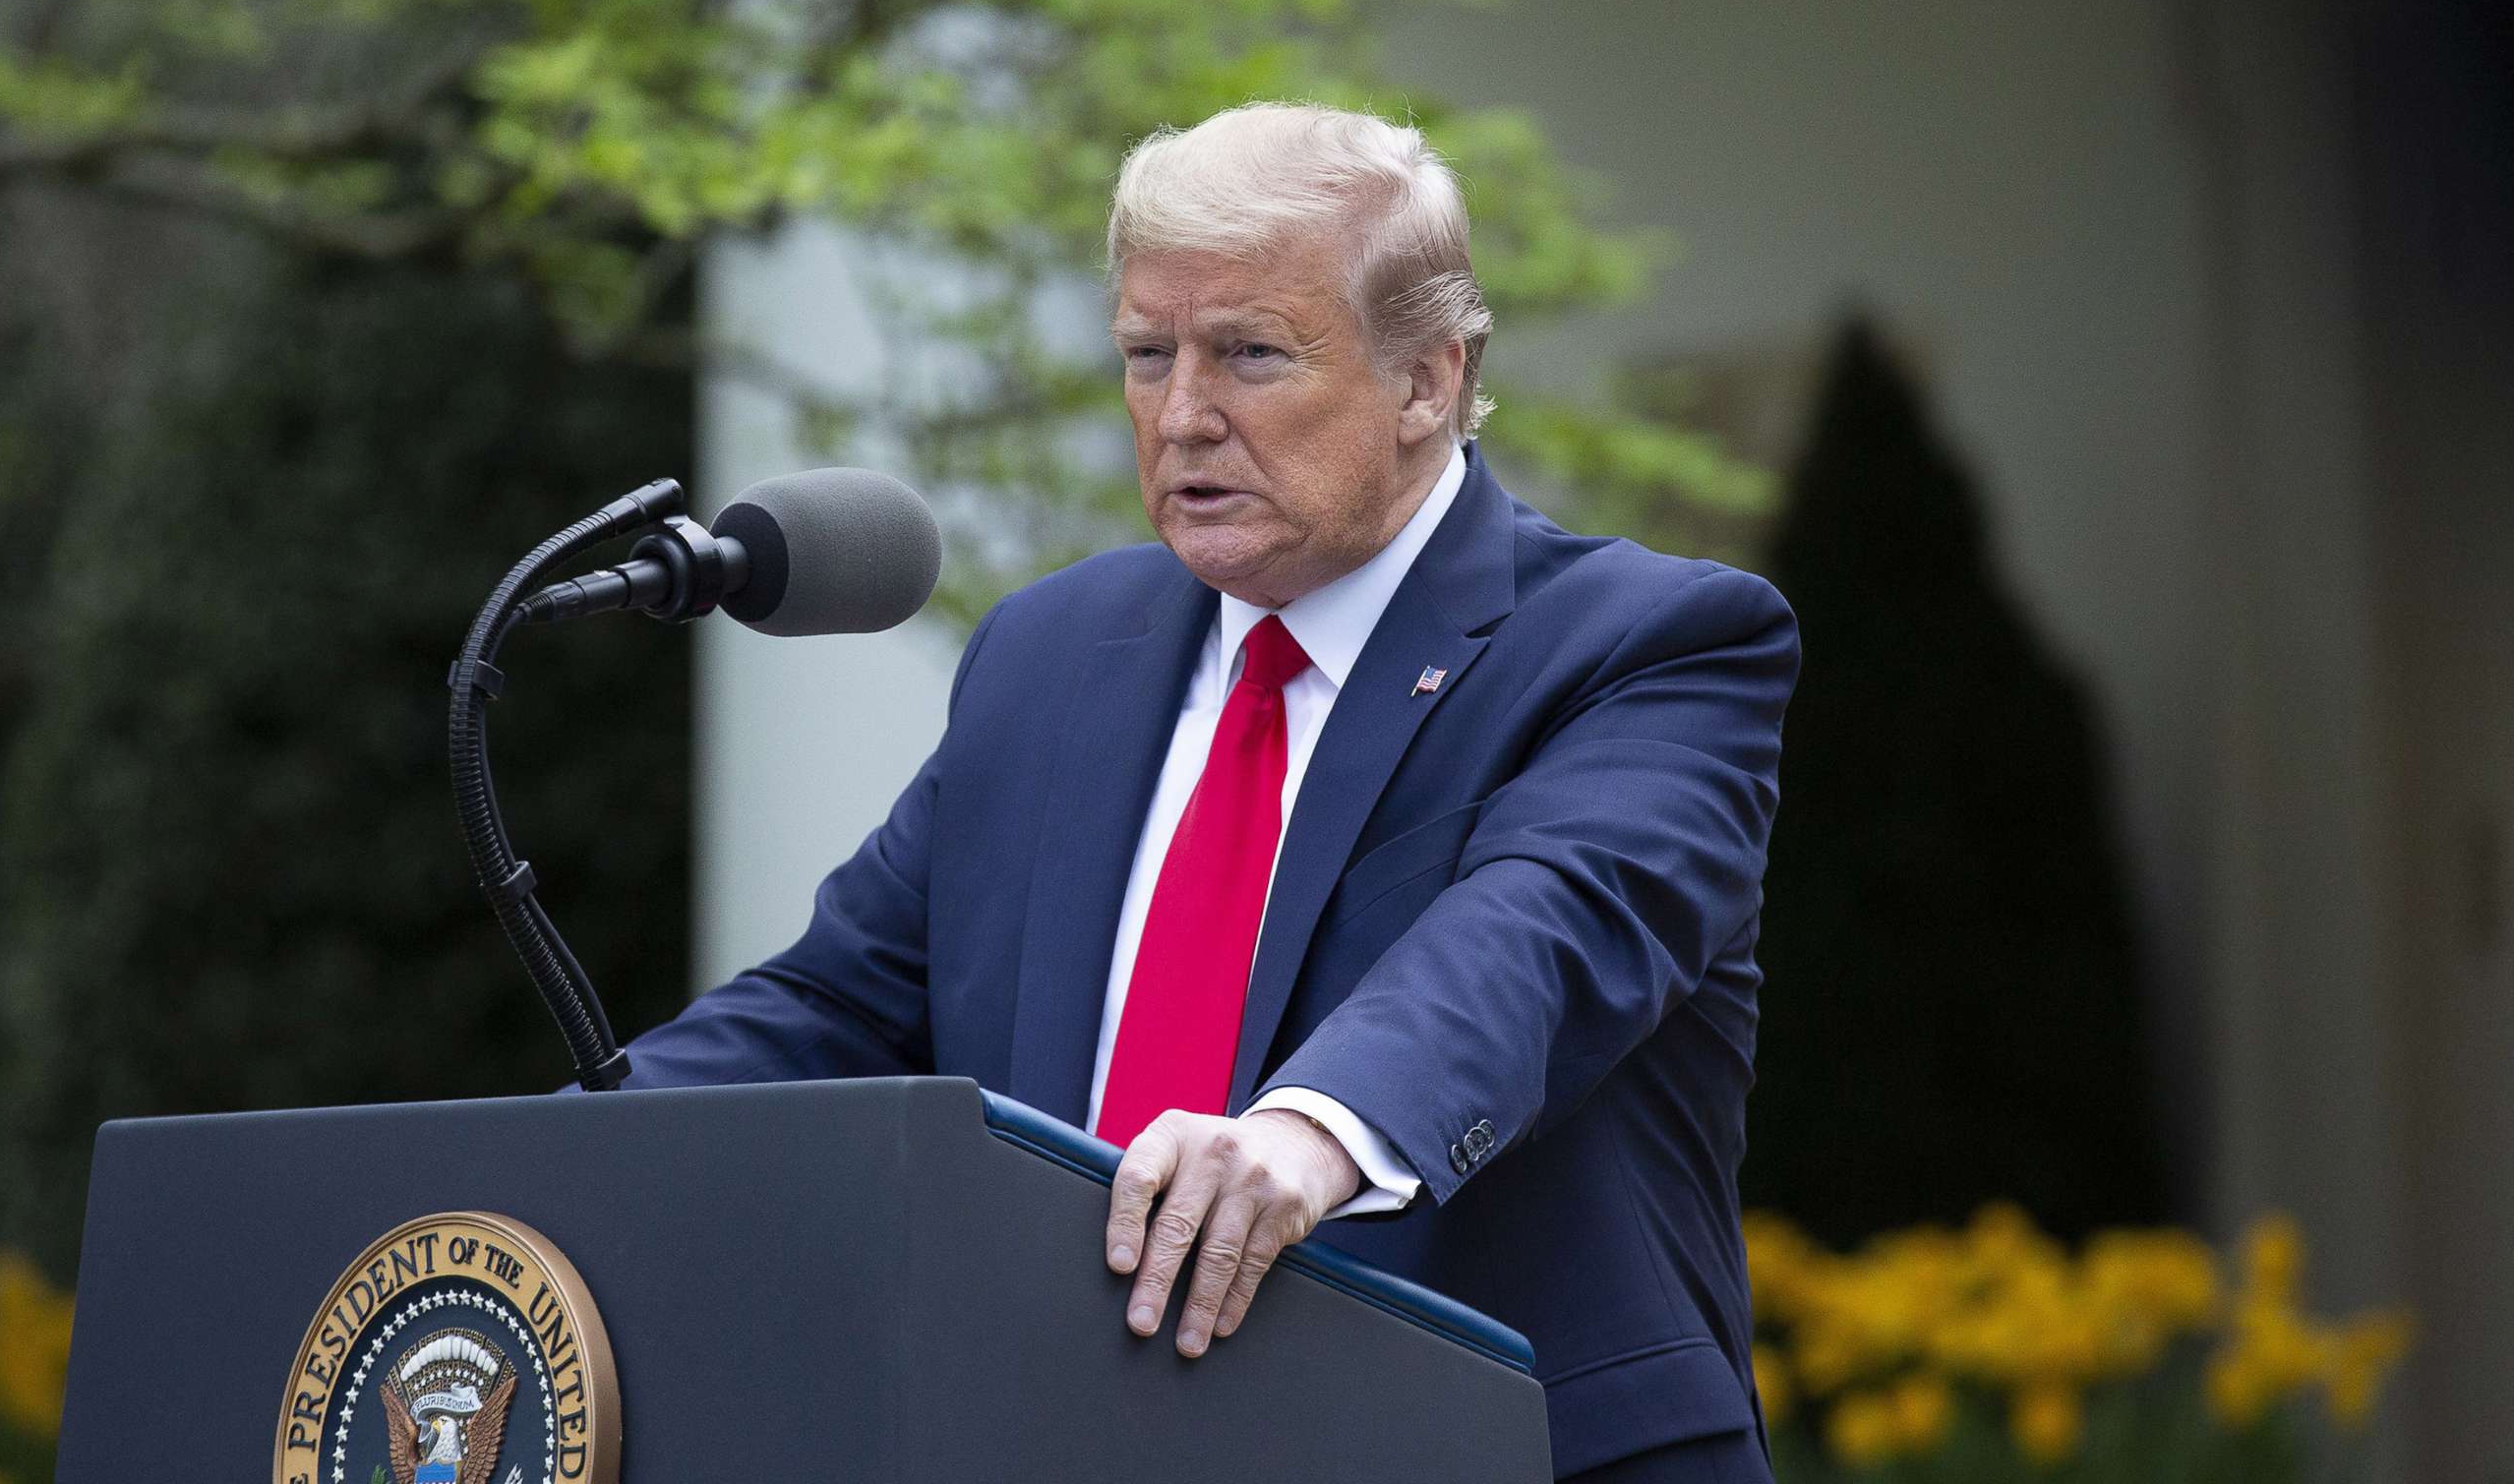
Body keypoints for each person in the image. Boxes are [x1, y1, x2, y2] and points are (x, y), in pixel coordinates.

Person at [617, 103, 1800, 1483]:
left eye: (1249, 353)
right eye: (1144, 355)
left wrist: (1307, 1133)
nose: (1182, 417)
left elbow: (1537, 937)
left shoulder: (1649, 644)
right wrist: (549, 1167)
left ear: (1426, 379)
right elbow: (835, 1005)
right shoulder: (1050, 655)